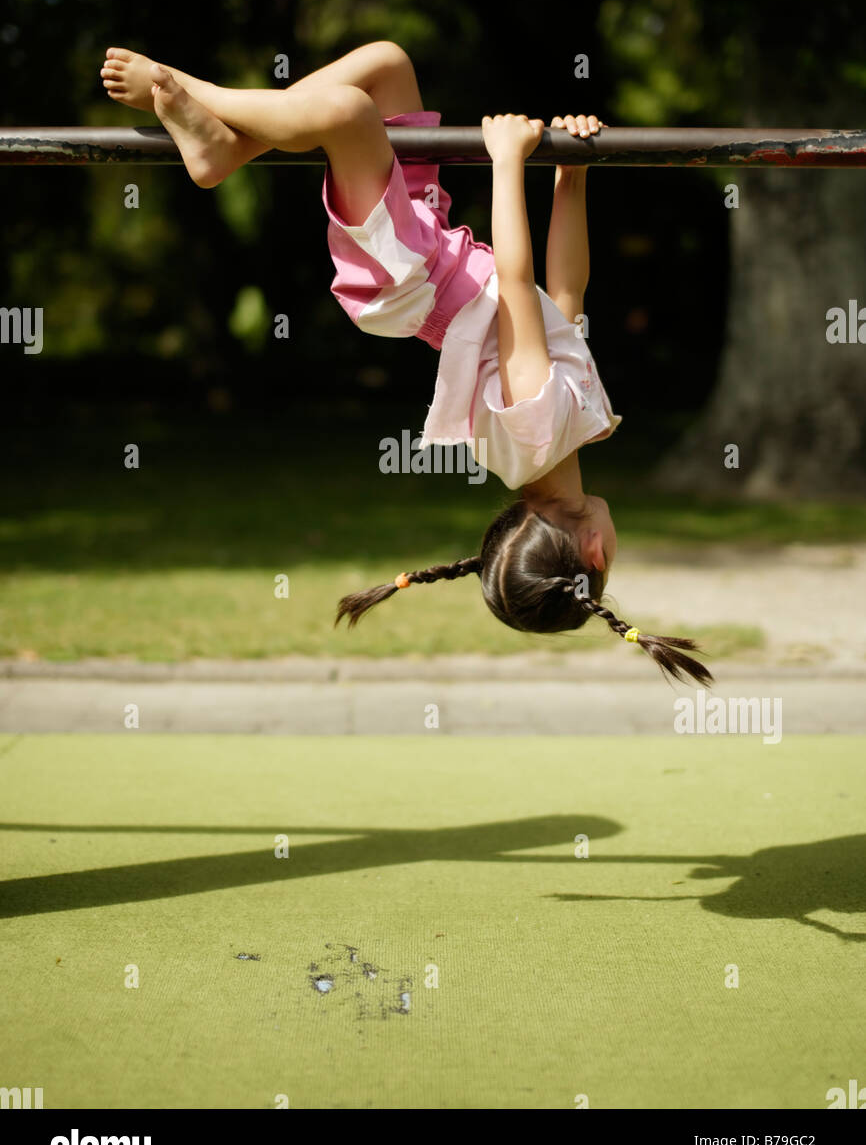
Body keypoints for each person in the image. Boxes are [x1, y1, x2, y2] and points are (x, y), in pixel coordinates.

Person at [100, 39, 711, 684]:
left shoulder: (537, 433)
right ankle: (226, 147)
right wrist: (571, 177)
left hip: (407, 273)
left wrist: (508, 164)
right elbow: (564, 295)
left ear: (594, 552)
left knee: (346, 113)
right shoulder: (569, 431)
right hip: (432, 242)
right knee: (388, 66)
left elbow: (515, 280)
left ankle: (187, 92)